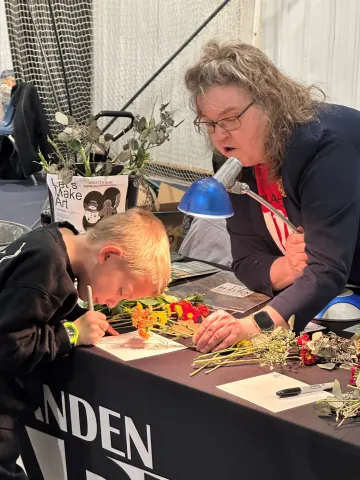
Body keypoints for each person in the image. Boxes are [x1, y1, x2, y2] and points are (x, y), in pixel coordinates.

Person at [184, 39, 360, 353]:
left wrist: (252, 327)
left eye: (230, 119)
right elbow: (246, 260)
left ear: (269, 102)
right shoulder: (233, 161)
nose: (221, 135)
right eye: (209, 124)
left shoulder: (324, 149)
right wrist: (291, 268)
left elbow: (327, 270)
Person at [0, 208, 170, 479]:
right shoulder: (46, 264)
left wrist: (76, 315)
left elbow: (31, 307)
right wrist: (71, 333)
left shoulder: (54, 240)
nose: (115, 302)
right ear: (108, 255)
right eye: (121, 291)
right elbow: (10, 346)